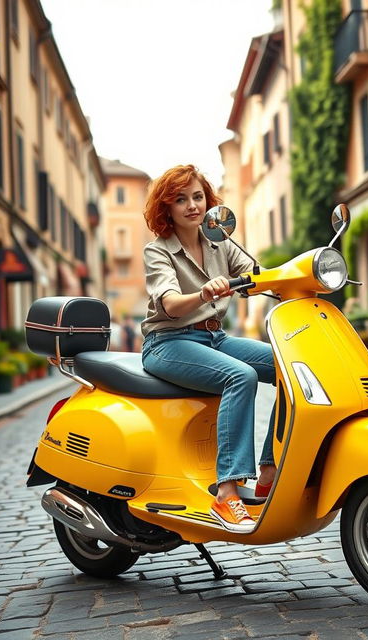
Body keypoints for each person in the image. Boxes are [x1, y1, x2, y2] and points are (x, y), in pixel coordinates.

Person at [140, 164, 277, 533]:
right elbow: (168, 303)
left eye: (198, 197)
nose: (192, 206)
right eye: (180, 199)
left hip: (214, 337)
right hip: (168, 342)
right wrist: (201, 293)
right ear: (166, 209)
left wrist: (304, 276)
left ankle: (269, 472)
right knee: (241, 377)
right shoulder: (157, 252)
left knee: (290, 366)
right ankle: (227, 493)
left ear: (208, 200)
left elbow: (258, 277)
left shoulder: (219, 241)